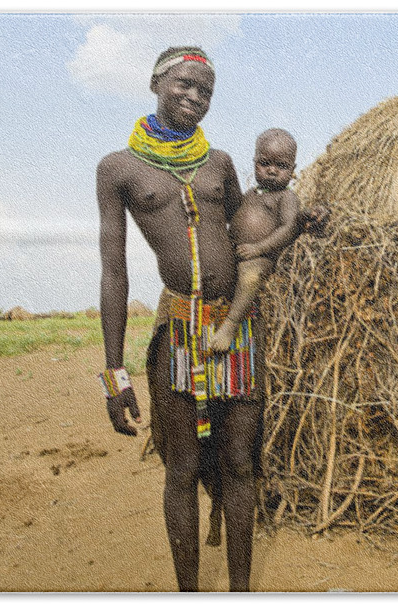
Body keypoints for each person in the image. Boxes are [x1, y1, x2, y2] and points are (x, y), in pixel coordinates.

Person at [96, 46, 322, 592]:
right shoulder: (118, 169)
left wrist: (301, 221)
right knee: (182, 470)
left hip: (238, 327)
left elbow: (257, 220)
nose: (195, 97)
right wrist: (114, 376)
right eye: (184, 84)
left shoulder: (219, 163)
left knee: (240, 465)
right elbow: (114, 274)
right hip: (178, 330)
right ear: (156, 82)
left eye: (206, 91)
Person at [205, 128, 301, 355]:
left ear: (293, 170)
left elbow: (290, 228)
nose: (272, 171)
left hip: (264, 258)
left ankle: (230, 325)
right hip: (240, 251)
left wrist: (259, 248)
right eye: (265, 163)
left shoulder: (286, 197)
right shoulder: (250, 194)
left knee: (250, 274)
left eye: (282, 166)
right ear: (254, 161)